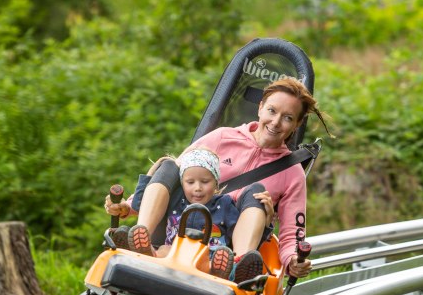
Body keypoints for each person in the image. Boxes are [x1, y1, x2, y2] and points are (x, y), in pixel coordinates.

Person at [106, 77, 333, 281]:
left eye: (288, 118)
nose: (275, 122)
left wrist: (293, 259)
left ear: (297, 124)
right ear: (261, 108)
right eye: (272, 111)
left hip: (228, 245)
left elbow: (292, 231)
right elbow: (176, 177)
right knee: (170, 165)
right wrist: (129, 206)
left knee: (257, 193)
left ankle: (238, 265)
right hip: (177, 225)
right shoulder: (223, 137)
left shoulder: (292, 173)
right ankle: (141, 237)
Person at [117, 148, 274, 281]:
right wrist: (157, 170)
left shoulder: (224, 204)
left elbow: (244, 232)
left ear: (215, 182)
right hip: (173, 254)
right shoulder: (175, 198)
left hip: (209, 259)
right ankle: (145, 250)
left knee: (220, 257)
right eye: (190, 182)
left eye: (205, 182)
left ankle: (229, 270)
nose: (197, 188)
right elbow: (141, 203)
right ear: (182, 181)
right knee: (163, 250)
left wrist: (266, 222)